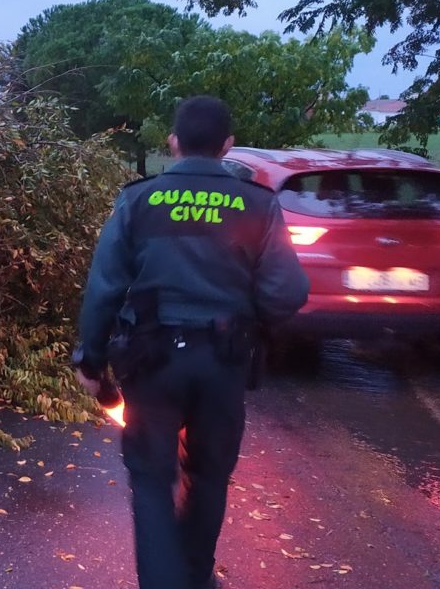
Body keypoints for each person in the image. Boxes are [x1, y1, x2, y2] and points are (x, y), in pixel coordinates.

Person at [72, 96, 310, 589]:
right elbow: (288, 292)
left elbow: (105, 286)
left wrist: (90, 360)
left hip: (151, 362)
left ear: (173, 141)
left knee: (152, 480)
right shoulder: (259, 204)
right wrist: (249, 324)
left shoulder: (139, 201)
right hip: (223, 363)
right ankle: (197, 580)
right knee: (208, 476)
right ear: (227, 145)